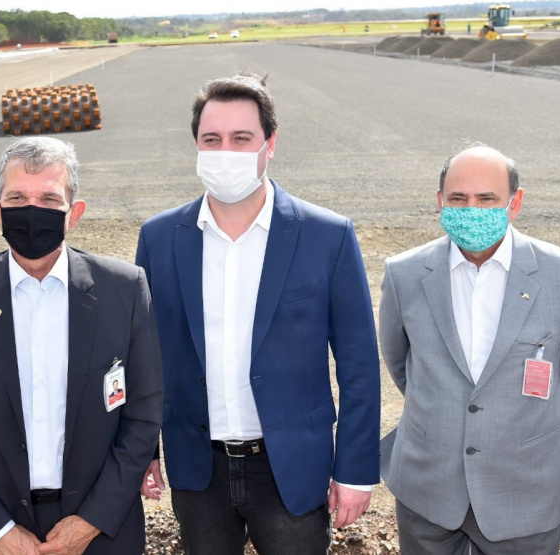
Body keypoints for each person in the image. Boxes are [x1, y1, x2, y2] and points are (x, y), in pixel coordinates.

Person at [135, 72, 380, 554]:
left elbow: (358, 365)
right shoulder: (160, 238)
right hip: (197, 468)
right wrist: (145, 449)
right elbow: (144, 357)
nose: (226, 150)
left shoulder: (327, 236)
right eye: (212, 139)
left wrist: (354, 469)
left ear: (270, 143)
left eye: (241, 138)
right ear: (197, 148)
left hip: (290, 466)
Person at [0, 136, 163, 555]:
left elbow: (142, 414)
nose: (32, 211)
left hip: (102, 532)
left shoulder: (123, 290)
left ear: (75, 213)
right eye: (17, 197)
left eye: (50, 199)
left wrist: (89, 523)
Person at [379, 144, 560, 554]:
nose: (471, 209)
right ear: (440, 201)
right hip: (427, 489)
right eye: (458, 199)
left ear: (515, 203)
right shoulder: (404, 273)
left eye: (486, 199)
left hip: (523, 491)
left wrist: (520, 423)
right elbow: (401, 363)